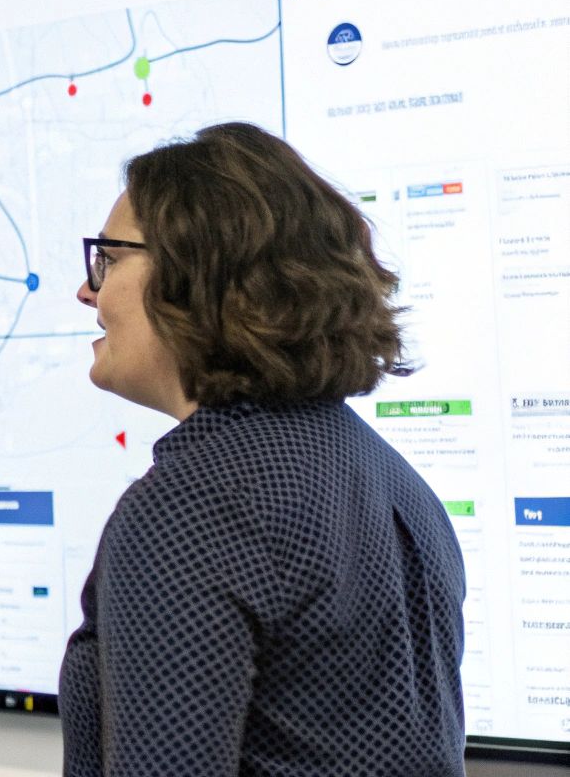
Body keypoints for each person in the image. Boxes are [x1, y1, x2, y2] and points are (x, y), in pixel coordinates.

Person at [60, 121, 466, 776]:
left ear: (197, 272)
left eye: (108, 259)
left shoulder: (193, 509)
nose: (88, 290)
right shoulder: (395, 482)